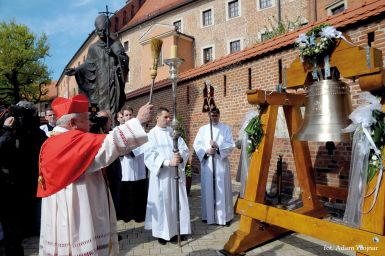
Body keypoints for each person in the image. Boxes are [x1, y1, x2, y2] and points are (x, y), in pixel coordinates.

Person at [37, 94, 152, 255]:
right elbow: (110, 145)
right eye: (86, 119)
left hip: (60, 209)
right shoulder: (71, 142)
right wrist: (138, 121)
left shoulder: (51, 141)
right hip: (77, 206)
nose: (90, 122)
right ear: (72, 123)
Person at [0, 101, 47, 255]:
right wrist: (6, 130)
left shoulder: (33, 132)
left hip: (20, 187)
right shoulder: (7, 130)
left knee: (14, 234)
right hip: (7, 186)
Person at [65, 14, 129, 120]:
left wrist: (114, 54)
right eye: (99, 31)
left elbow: (124, 59)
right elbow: (88, 64)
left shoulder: (115, 44)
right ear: (96, 31)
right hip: (100, 84)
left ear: (108, 28)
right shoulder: (93, 48)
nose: (102, 33)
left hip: (113, 82)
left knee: (112, 106)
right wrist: (77, 70)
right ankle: (102, 125)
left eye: (104, 30)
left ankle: (111, 124)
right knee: (100, 106)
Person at [144, 107, 191, 245]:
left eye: (169, 117)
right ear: (157, 118)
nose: (169, 119)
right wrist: (167, 162)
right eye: (165, 117)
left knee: (178, 203)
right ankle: (162, 234)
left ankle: (179, 230)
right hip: (162, 176)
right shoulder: (151, 135)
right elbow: (149, 156)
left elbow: (184, 148)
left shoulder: (173, 132)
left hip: (176, 175)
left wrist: (180, 158)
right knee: (163, 204)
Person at [193, 107, 235, 226]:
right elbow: (197, 145)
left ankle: (224, 217)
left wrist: (218, 147)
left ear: (219, 116)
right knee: (208, 188)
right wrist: (206, 151)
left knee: (222, 189)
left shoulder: (225, 128)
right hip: (208, 164)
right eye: (212, 115)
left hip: (221, 163)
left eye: (216, 115)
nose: (214, 117)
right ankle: (208, 216)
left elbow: (230, 144)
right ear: (209, 116)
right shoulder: (203, 130)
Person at [119, 105, 148, 222]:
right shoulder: (120, 130)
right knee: (127, 190)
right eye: (126, 115)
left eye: (130, 114)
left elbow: (144, 144)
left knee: (139, 190)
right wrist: (124, 151)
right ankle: (127, 215)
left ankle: (139, 215)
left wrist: (132, 151)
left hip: (138, 163)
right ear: (123, 117)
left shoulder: (139, 129)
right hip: (126, 165)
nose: (129, 117)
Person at [235, 109, 259, 198]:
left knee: (249, 179)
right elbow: (239, 144)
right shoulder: (257, 129)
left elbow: (238, 144)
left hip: (251, 158)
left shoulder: (248, 128)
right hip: (252, 158)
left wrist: (237, 142)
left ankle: (245, 196)